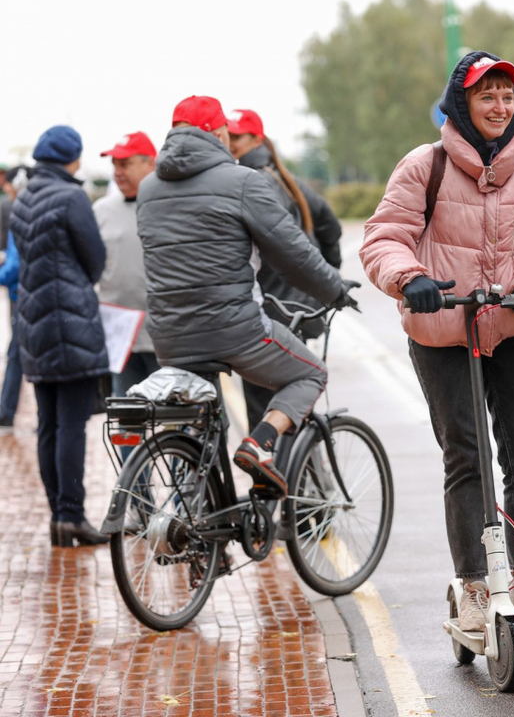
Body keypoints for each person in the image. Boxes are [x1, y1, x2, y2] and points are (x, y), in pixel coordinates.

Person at [360, 53, 514, 658]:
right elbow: (384, 236)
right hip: (444, 325)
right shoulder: (425, 165)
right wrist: (409, 277)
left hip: (513, 324)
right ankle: (475, 584)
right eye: (486, 96)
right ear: (463, 101)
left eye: (507, 96)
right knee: (466, 455)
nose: (499, 107)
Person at [137, 96, 353, 502]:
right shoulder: (242, 182)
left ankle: (202, 514)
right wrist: (334, 289)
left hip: (169, 336)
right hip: (235, 332)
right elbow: (293, 252)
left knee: (204, 417)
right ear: (218, 134)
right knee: (311, 374)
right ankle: (260, 443)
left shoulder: (149, 188)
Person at [10, 126, 110, 546]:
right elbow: (95, 261)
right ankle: (72, 514)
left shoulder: (23, 200)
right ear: (72, 159)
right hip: (71, 324)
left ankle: (58, 516)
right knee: (72, 424)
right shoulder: (71, 198)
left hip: (33, 324)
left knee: (48, 424)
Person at [226, 108, 344, 426]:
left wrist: (327, 275)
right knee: (287, 405)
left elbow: (316, 234)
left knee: (263, 409)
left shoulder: (252, 182)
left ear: (256, 138)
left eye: (237, 136)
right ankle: (296, 468)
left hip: (273, 309)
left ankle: (276, 469)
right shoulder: (282, 178)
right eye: (229, 134)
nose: (231, 141)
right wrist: (328, 275)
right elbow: (329, 226)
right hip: (294, 308)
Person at [95, 131, 160, 396]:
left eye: (125, 164)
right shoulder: (101, 211)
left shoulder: (168, 208)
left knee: (172, 426)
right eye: (114, 165)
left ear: (150, 163)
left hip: (163, 339)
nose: (117, 172)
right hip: (120, 339)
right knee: (126, 425)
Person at [0, 169, 23, 429]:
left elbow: (14, 264)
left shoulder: (18, 210)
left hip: (23, 295)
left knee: (16, 353)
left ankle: (6, 412)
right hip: (25, 294)